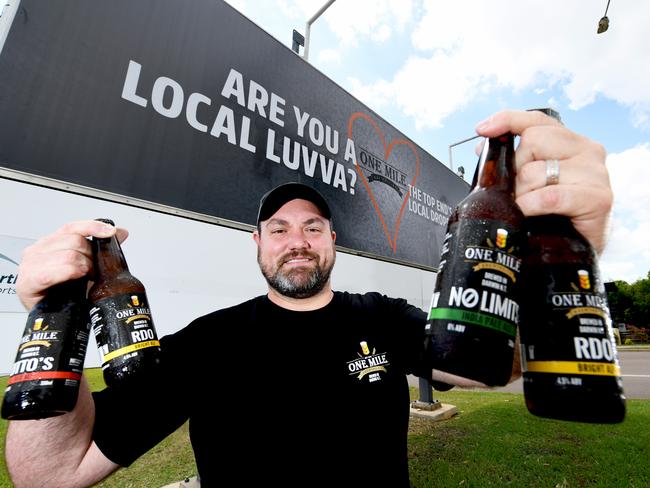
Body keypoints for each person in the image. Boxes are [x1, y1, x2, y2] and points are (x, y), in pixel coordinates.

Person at [6, 110, 612, 487]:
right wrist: (54, 320)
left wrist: (549, 263)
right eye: (280, 228)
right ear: (258, 244)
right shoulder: (209, 340)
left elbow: (493, 369)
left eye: (313, 227)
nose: (297, 241)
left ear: (333, 242)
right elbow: (51, 475)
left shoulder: (381, 316)